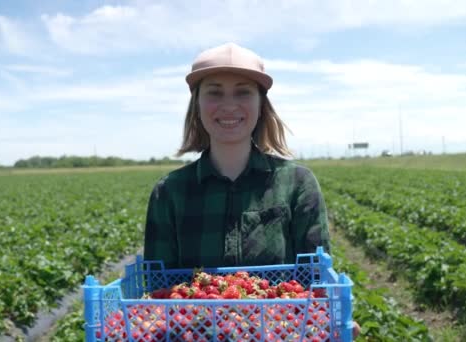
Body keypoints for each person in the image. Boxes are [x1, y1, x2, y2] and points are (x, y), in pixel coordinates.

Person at [142, 42, 360, 337]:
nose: (229, 105)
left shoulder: (296, 183)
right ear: (197, 104)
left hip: (280, 332)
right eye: (214, 92)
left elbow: (316, 285)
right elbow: (159, 296)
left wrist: (327, 322)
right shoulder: (170, 192)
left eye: (243, 91)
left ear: (261, 104)